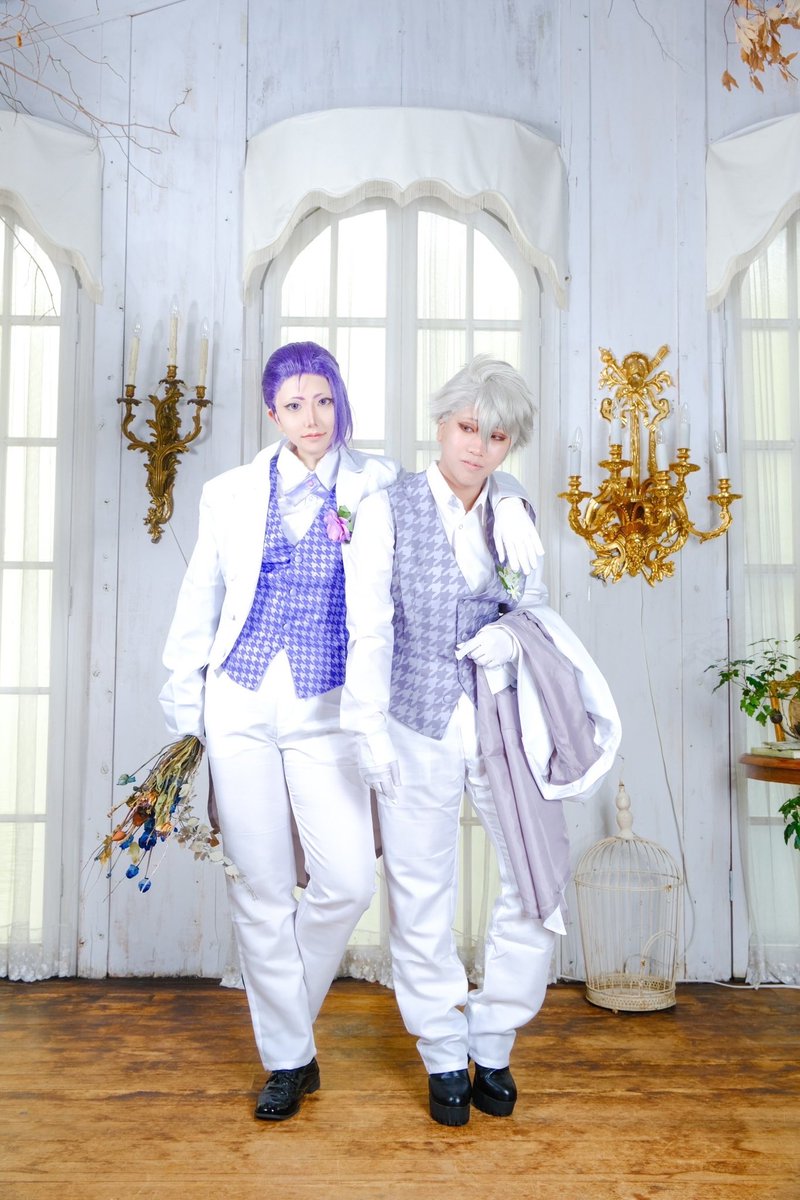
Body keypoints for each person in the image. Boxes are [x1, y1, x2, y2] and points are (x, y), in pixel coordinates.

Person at [158, 341, 545, 1122]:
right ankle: (288, 1058)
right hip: (238, 702)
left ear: (341, 402)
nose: (312, 417)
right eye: (294, 405)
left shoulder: (377, 484)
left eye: (324, 400)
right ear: (272, 412)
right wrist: (185, 708)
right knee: (262, 886)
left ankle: (287, 1025)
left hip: (327, 708)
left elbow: (457, 484)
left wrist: (507, 501)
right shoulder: (229, 493)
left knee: (348, 882)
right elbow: (200, 597)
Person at [341, 356, 621, 1126]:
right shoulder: (386, 510)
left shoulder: (514, 508)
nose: (478, 446)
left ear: (509, 445)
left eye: (497, 437)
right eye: (468, 427)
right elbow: (370, 629)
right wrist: (367, 727)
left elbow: (535, 607)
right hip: (413, 721)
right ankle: (441, 1050)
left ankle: (494, 1039)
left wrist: (512, 633)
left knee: (534, 879)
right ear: (441, 424)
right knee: (419, 892)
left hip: (505, 718)